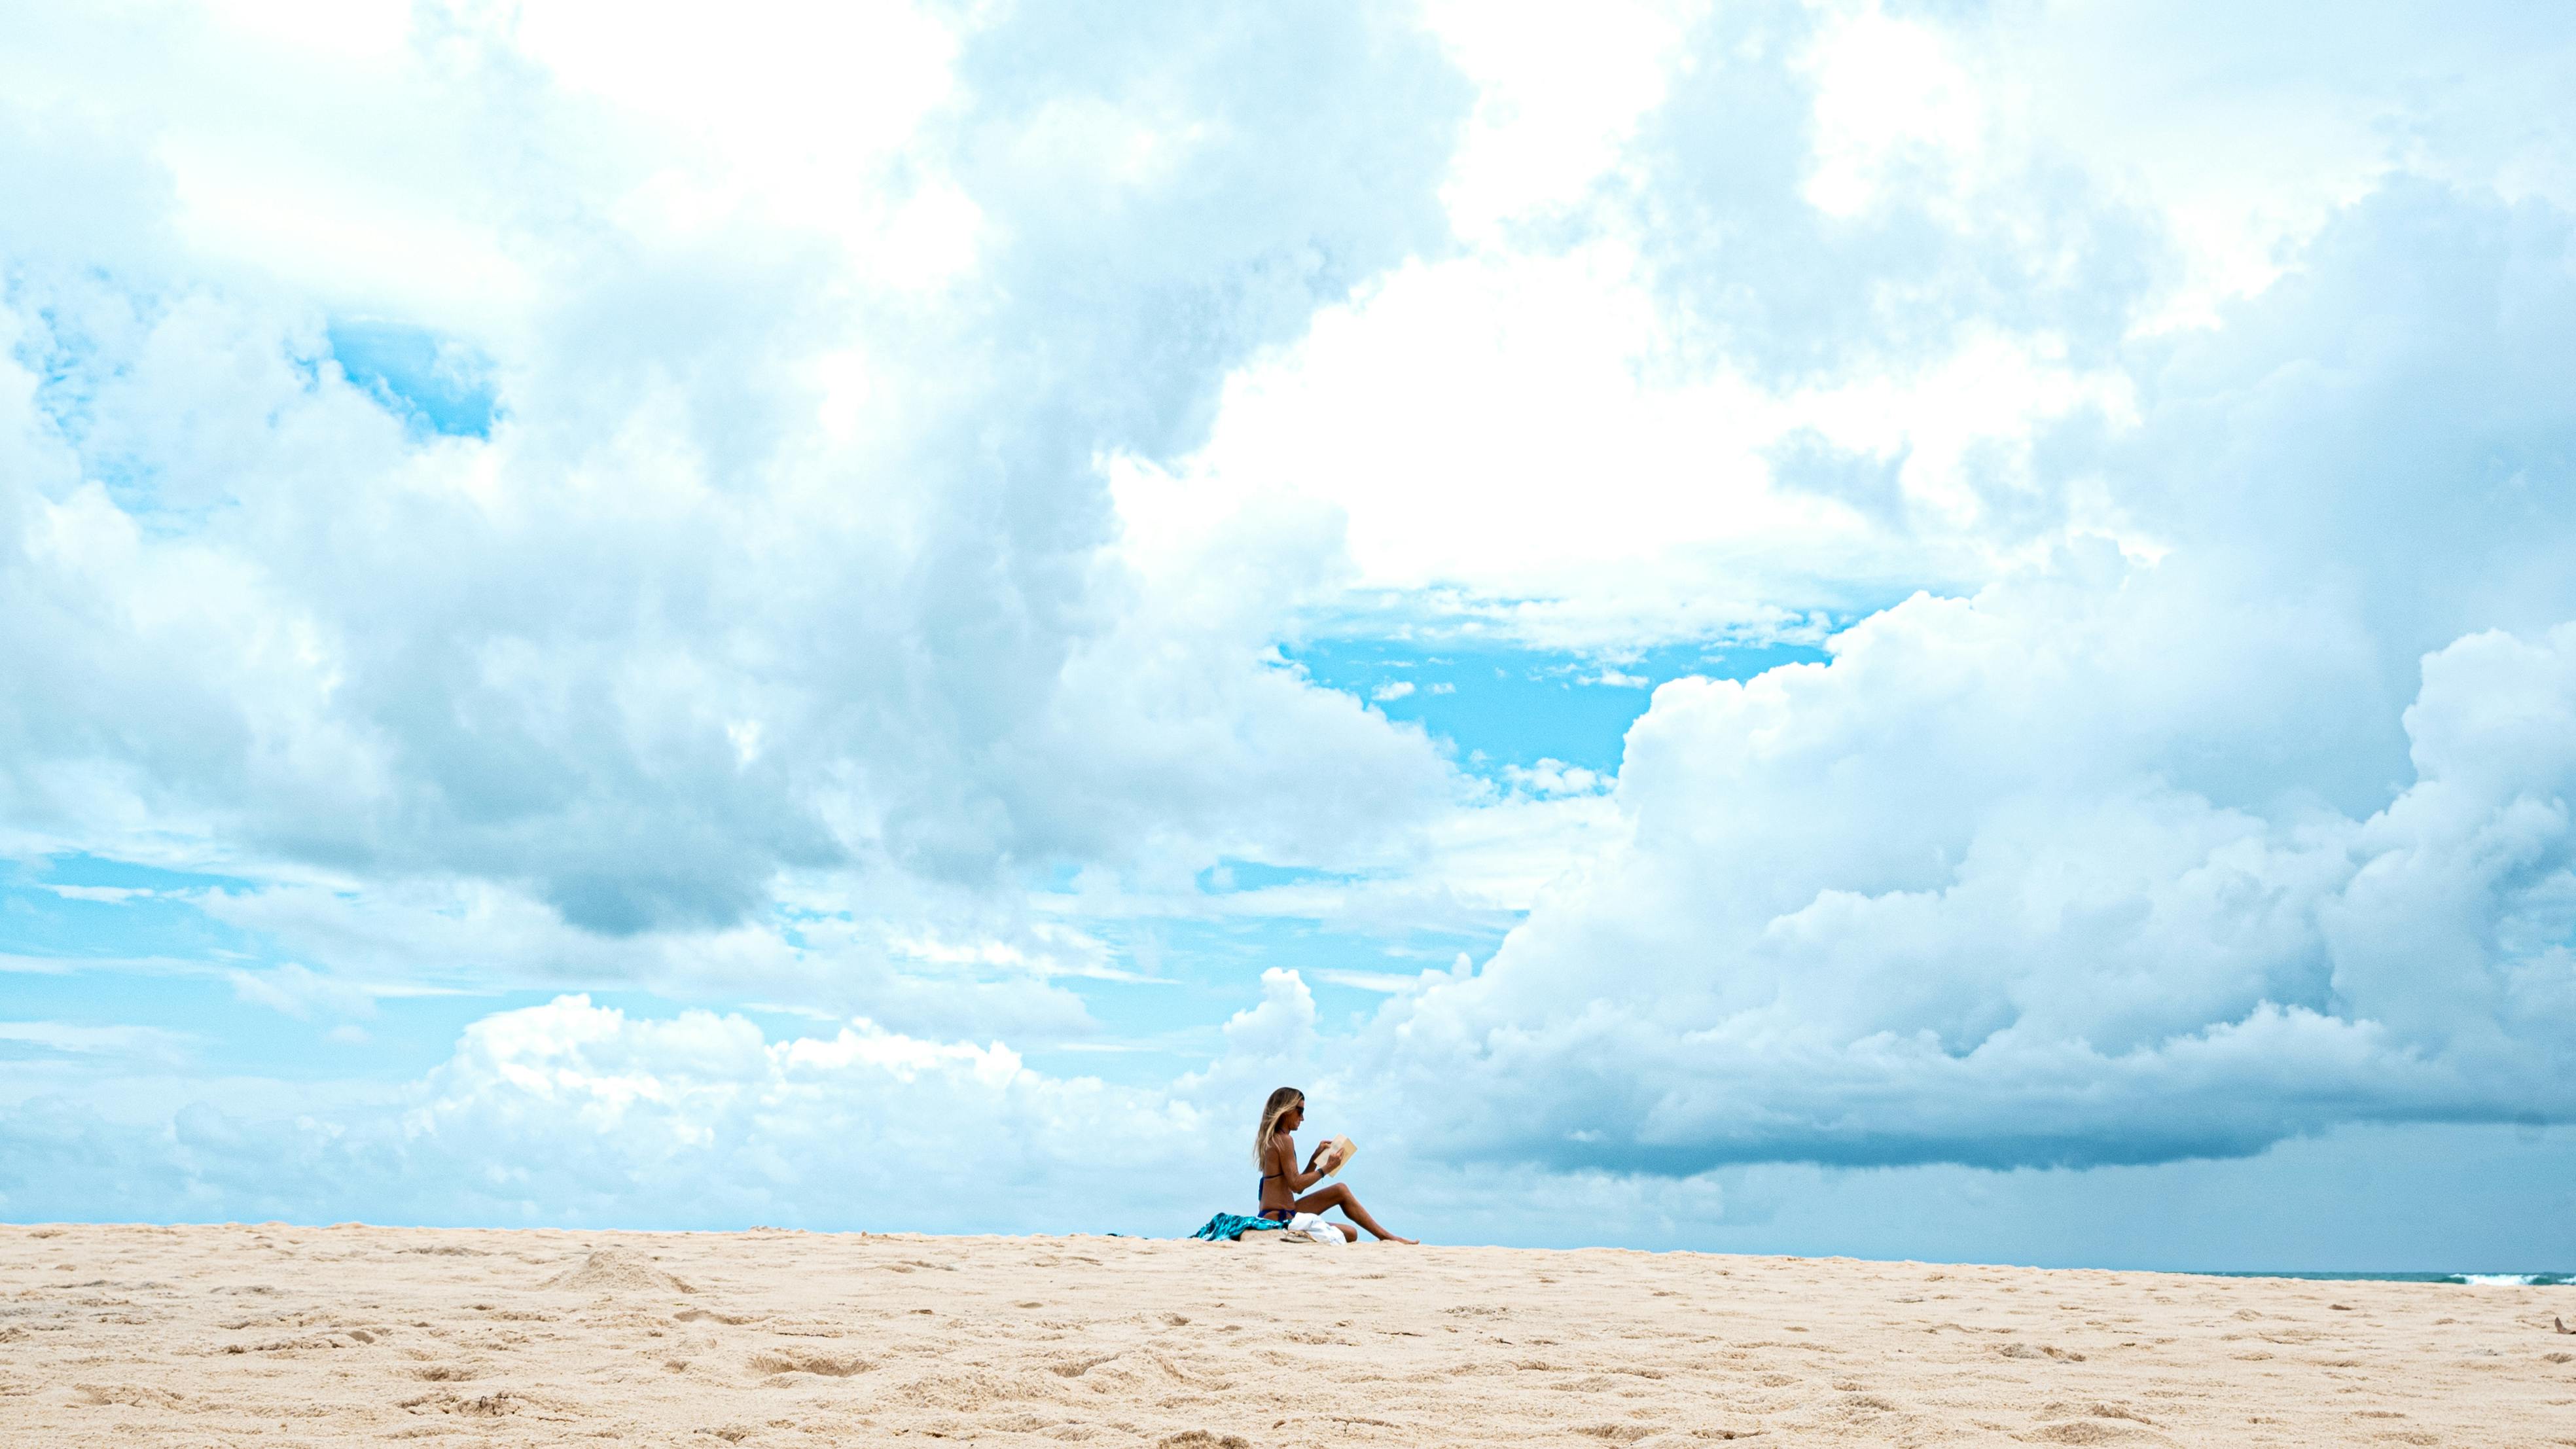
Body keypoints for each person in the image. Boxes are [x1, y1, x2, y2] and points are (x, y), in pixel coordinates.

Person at [1253, 1086, 1416, 1243]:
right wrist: (1326, 1168)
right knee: (1350, 1230)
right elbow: (1296, 1185)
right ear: (1286, 1110)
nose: (1302, 1118)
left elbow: (1298, 1186)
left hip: (1284, 1212)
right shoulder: (1284, 1140)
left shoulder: (1276, 1139)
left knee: (1341, 1193)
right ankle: (1388, 1237)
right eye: (1300, 1111)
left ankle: (1387, 1236)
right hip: (1280, 1219)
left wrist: (1314, 1159)